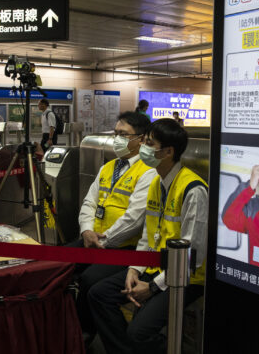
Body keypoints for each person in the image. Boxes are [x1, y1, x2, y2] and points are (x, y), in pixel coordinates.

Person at [89, 119, 208, 354]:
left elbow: (193, 257)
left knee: (139, 332)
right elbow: (147, 237)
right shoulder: (156, 182)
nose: (143, 147)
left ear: (168, 152)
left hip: (185, 277)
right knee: (98, 294)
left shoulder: (194, 190)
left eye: (149, 143)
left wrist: (152, 287)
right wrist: (134, 270)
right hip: (154, 268)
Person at [70, 111, 155, 346]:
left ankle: (84, 334)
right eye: (116, 133)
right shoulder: (108, 167)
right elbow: (89, 202)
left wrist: (103, 242)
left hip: (123, 247)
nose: (117, 139)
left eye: (123, 134)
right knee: (58, 265)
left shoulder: (148, 172)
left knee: (90, 281)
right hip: (93, 238)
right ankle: (66, 328)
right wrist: (87, 230)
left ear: (141, 139)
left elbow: (133, 220)